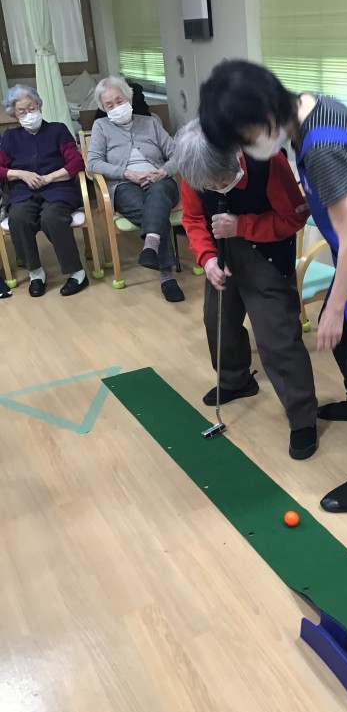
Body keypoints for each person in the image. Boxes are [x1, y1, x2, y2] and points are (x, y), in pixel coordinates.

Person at [199, 60, 347, 513]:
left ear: (263, 116)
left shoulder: (320, 146)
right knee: (339, 337)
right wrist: (335, 309)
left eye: (244, 137)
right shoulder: (308, 105)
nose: (247, 147)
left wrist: (336, 306)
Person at [175, 119, 318, 460]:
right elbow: (193, 219)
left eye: (220, 181)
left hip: (266, 254)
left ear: (233, 156)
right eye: (207, 185)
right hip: (222, 254)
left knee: (277, 337)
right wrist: (208, 258)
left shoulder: (267, 161)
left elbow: (293, 218)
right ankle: (235, 380)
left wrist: (242, 225)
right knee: (218, 320)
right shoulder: (195, 168)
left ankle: (303, 418)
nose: (214, 187)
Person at [86, 76, 184, 302]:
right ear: (103, 108)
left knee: (158, 194)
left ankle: (151, 246)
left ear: (128, 99)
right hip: (124, 184)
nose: (115, 107)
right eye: (109, 105)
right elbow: (93, 163)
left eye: (119, 101)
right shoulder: (101, 127)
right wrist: (127, 173)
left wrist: (162, 172)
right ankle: (166, 274)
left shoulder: (151, 122)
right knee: (153, 211)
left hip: (159, 180)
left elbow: (178, 154)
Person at [0, 84, 87, 297]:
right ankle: (36, 274)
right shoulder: (10, 137)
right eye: (22, 111)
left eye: (32, 108)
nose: (29, 114)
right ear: (14, 114)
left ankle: (77, 273)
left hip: (58, 189)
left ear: (39, 105)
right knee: (19, 218)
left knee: (52, 218)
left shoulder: (58, 130)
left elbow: (76, 162)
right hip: (24, 192)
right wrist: (20, 174)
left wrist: (50, 177)